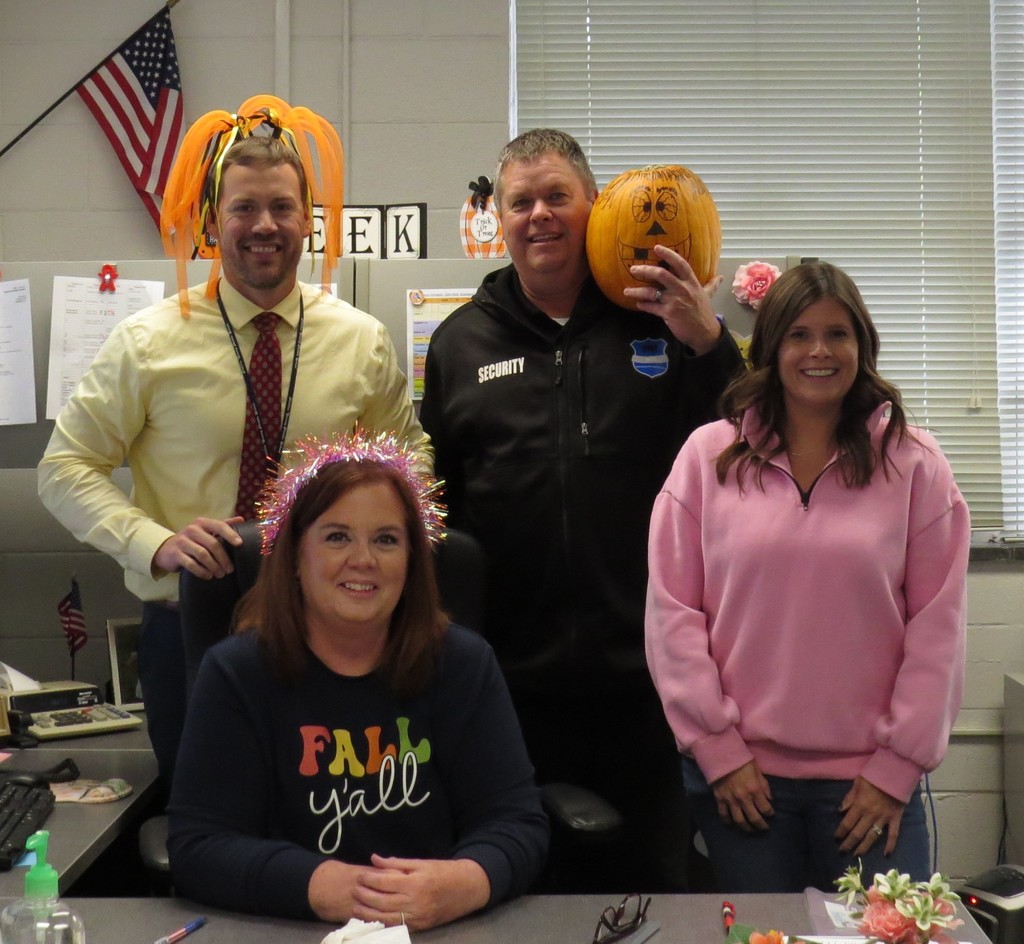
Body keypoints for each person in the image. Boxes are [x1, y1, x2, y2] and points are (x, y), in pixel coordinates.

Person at [37, 99, 428, 794]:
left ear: (308, 219)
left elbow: (411, 471)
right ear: (212, 221)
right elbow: (65, 468)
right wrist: (152, 542)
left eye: (282, 207)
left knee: (329, 824)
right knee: (210, 825)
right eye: (244, 208)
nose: (264, 226)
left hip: (332, 633)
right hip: (191, 630)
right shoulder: (148, 341)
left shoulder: (360, 339)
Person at [419, 128, 745, 891]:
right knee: (520, 894)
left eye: (556, 196)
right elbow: (442, 513)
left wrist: (709, 340)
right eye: (520, 201)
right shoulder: (461, 342)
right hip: (508, 688)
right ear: (497, 217)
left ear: (594, 207)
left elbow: (740, 448)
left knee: (650, 890)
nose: (539, 215)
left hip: (649, 685)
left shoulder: (657, 318)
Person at [645, 261, 970, 893]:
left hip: (871, 792)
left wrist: (896, 768)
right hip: (743, 786)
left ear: (862, 346)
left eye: (837, 334)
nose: (818, 351)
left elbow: (940, 630)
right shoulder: (706, 458)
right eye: (798, 334)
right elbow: (672, 616)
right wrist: (718, 751)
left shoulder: (916, 465)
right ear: (769, 349)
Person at [167, 432, 548, 928]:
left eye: (386, 539)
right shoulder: (236, 673)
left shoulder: (463, 663)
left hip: (439, 930)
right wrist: (319, 885)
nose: (363, 559)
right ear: (296, 559)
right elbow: (198, 845)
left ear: (412, 562)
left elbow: (517, 822)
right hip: (291, 928)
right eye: (336, 536)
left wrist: (464, 882)